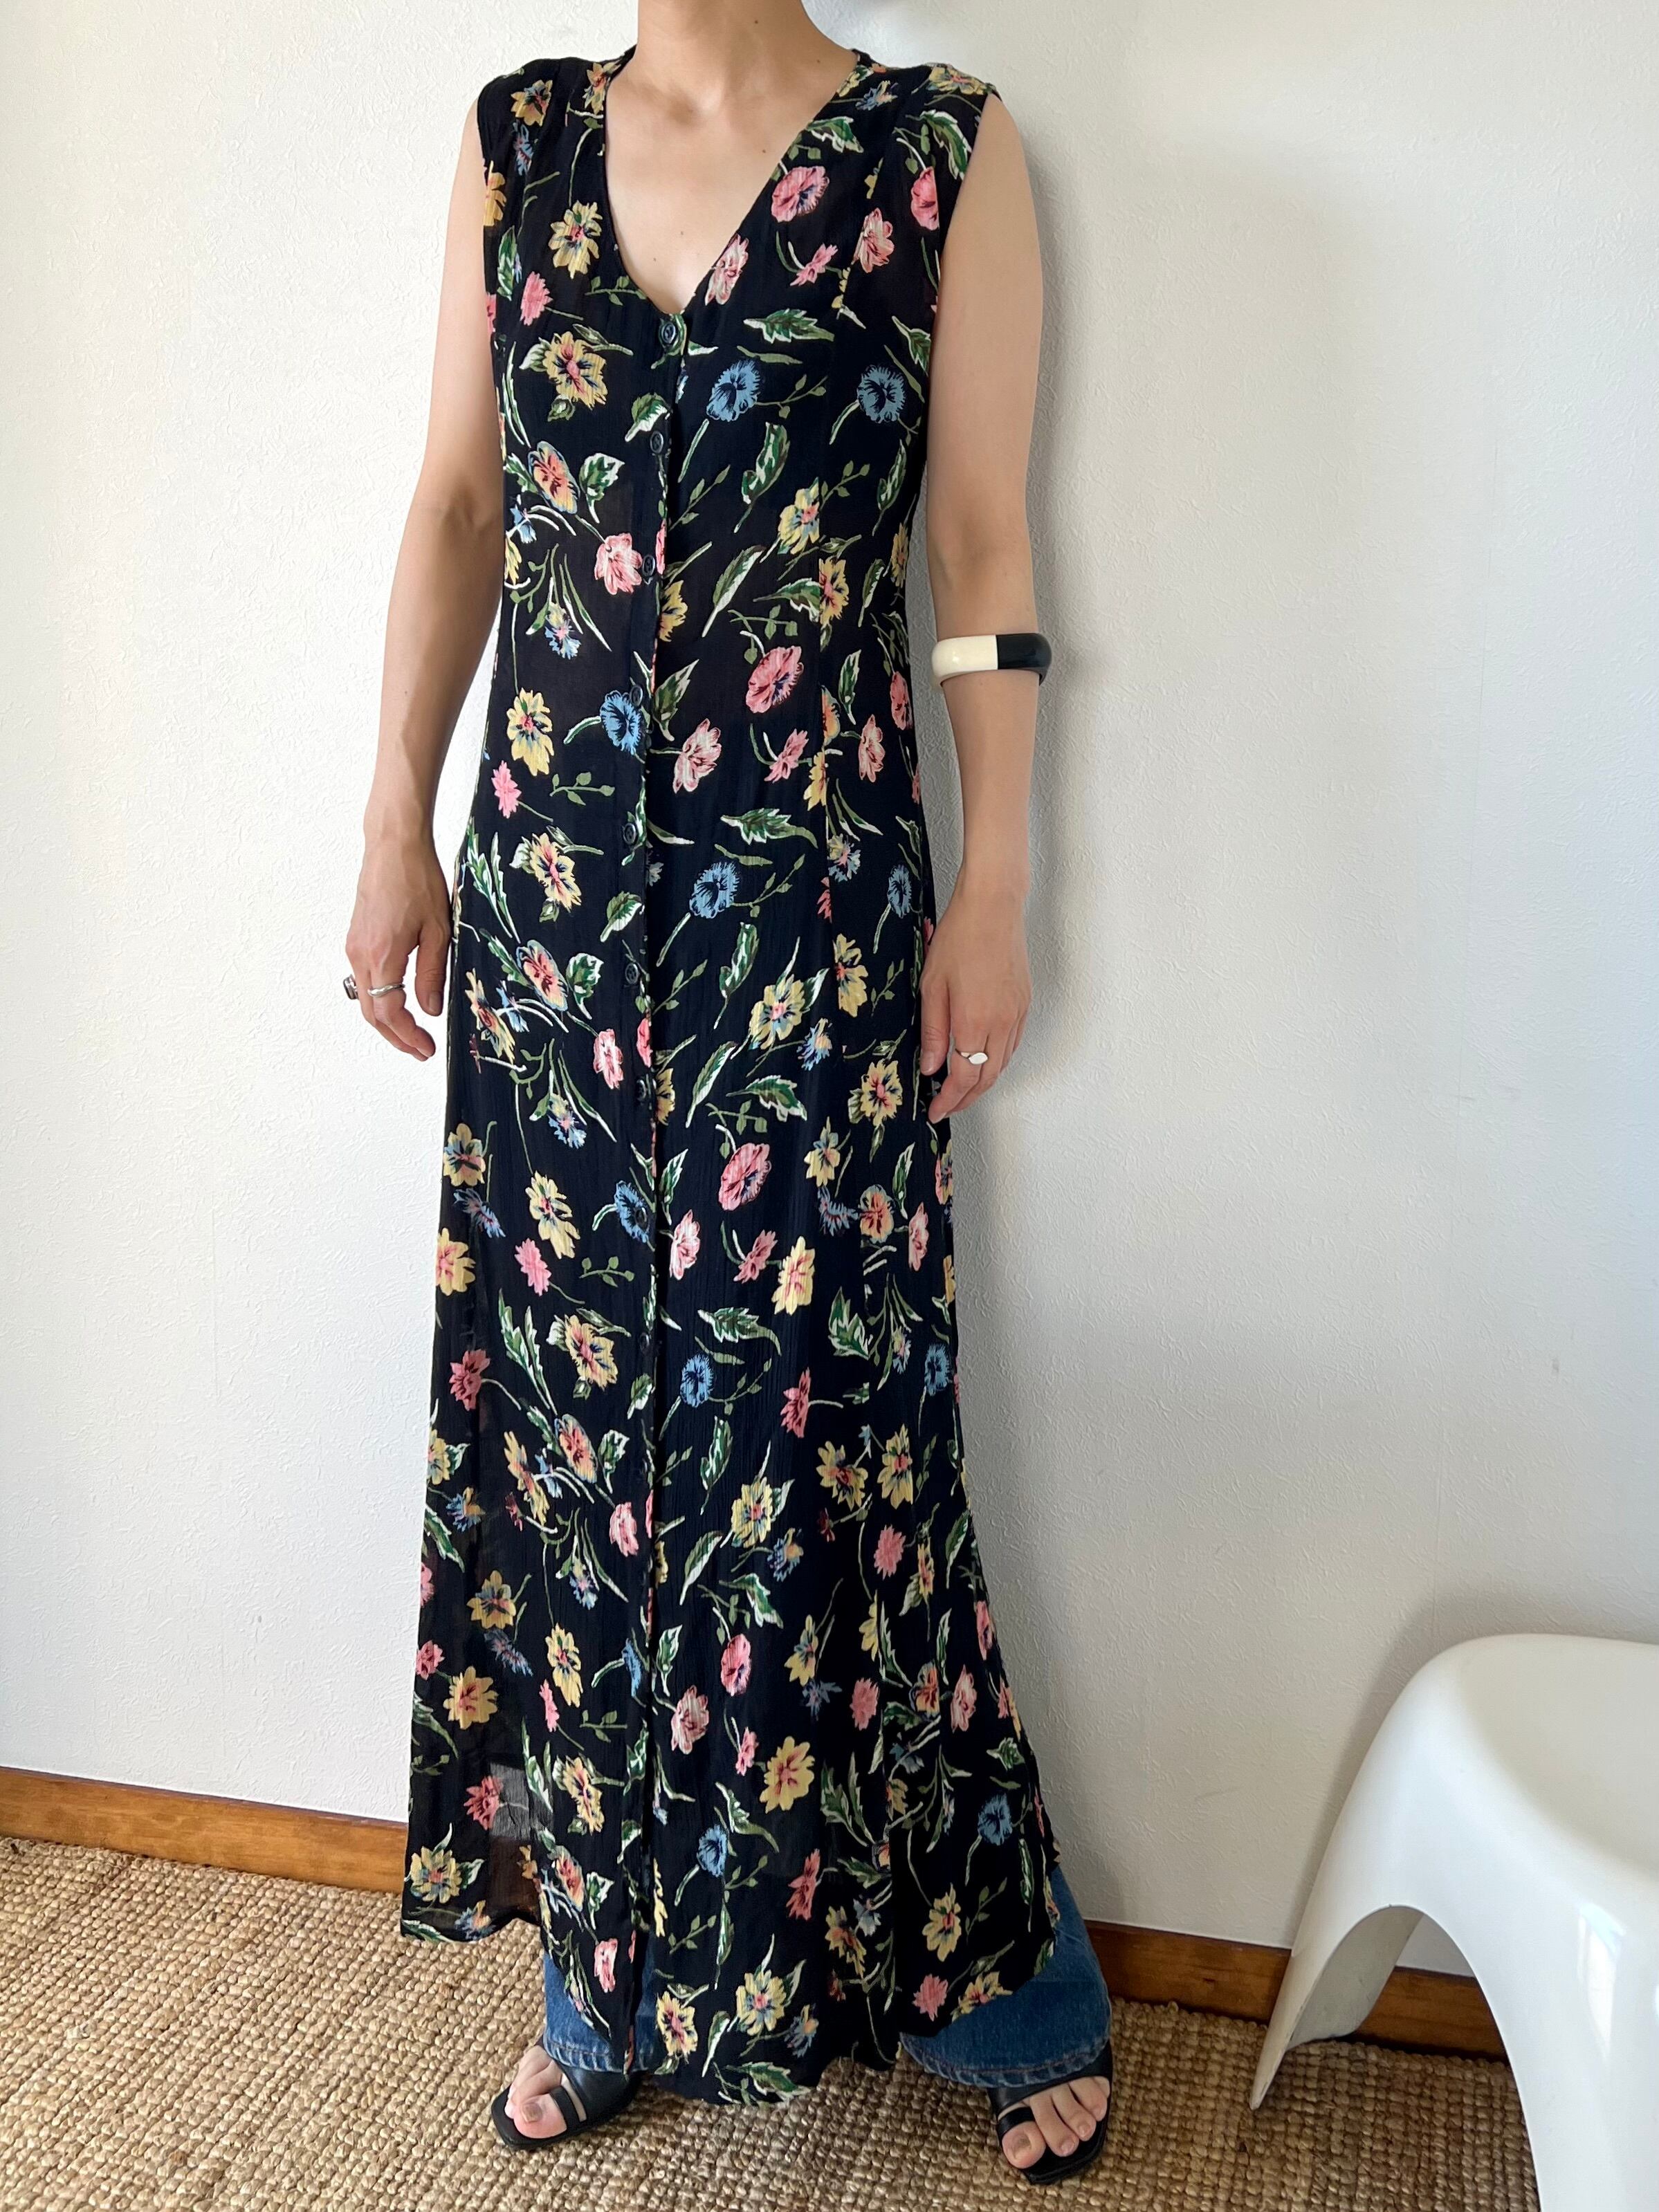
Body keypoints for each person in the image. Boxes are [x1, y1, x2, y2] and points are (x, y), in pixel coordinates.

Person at [344, 1, 1113, 2184]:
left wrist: (1000, 880)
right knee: (581, 1455)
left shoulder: (940, 155)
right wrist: (394, 817)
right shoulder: (513, 142)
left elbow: (981, 543)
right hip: (556, 935)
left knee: (837, 1446)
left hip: (814, 924)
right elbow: (460, 501)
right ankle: (606, 1983)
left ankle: (1004, 1989)